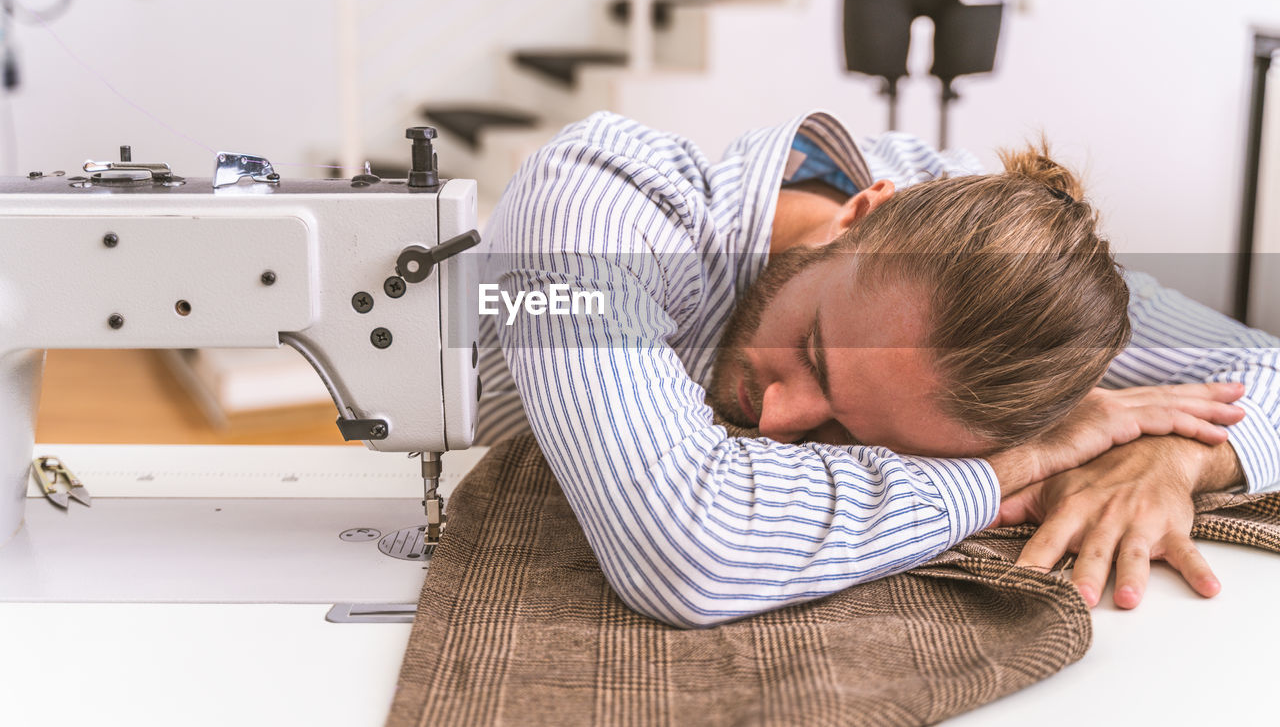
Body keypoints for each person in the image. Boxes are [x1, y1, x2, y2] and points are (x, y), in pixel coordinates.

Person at [474, 111, 1279, 628]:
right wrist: (1013, 468)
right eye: (816, 351)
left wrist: (1173, 455)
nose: (783, 417)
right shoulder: (596, 200)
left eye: (847, 433)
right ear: (865, 211)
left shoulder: (1023, 281)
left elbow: (1263, 366)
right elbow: (686, 552)